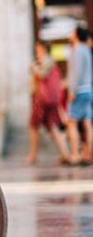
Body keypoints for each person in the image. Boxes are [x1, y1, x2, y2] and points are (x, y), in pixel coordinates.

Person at [27, 42, 69, 165]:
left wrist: (33, 66)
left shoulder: (47, 60)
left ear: (43, 49)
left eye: (38, 48)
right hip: (47, 99)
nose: (36, 50)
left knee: (33, 126)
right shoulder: (47, 61)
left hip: (42, 99)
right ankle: (64, 154)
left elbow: (42, 74)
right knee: (52, 127)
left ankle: (33, 155)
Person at [65, 26, 93, 165]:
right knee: (87, 123)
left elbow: (76, 73)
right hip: (88, 89)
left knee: (72, 122)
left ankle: (75, 154)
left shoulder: (76, 50)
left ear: (76, 35)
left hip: (79, 90)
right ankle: (88, 154)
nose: (70, 34)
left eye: (72, 32)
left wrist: (71, 91)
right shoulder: (87, 49)